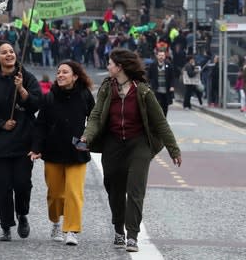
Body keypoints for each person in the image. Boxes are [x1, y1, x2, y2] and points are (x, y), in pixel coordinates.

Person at [80, 48, 182, 253]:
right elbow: (96, 115)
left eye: (110, 63)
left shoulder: (142, 91)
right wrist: (86, 137)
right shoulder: (107, 89)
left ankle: (132, 235)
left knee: (135, 189)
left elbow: (160, 122)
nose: (107, 66)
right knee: (113, 188)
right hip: (113, 144)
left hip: (139, 145)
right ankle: (118, 228)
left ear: (120, 67)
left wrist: (174, 149)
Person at [0, 40, 41, 242]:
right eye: (4, 53)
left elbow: (36, 104)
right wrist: (1, 124)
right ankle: (6, 225)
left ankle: (22, 214)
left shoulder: (26, 77)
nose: (9, 55)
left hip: (23, 142)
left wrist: (21, 90)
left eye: (11, 51)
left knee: (22, 184)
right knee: (3, 187)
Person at [29, 61, 95, 247]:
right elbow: (40, 124)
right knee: (55, 194)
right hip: (53, 150)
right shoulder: (49, 97)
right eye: (58, 72)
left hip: (77, 151)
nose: (60, 75)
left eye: (65, 72)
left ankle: (72, 230)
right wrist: (36, 148)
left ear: (75, 76)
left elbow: (94, 118)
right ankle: (56, 222)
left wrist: (89, 137)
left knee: (74, 193)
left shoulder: (84, 95)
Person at [147, 50, 175, 117]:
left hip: (166, 90)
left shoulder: (169, 65)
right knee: (156, 106)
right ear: (157, 56)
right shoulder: (153, 65)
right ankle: (158, 120)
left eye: (162, 55)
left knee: (165, 106)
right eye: (159, 55)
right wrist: (149, 85)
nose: (161, 57)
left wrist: (172, 86)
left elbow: (172, 77)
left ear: (165, 56)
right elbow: (148, 76)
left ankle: (164, 119)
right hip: (156, 89)